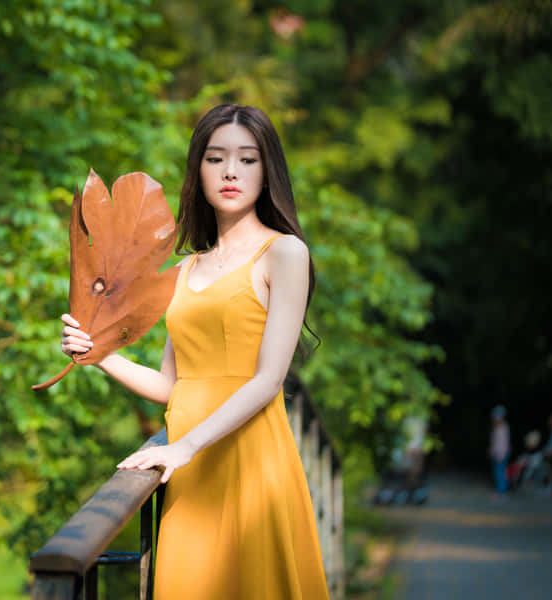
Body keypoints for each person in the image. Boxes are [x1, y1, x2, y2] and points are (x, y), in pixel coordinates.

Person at [59, 104, 329, 599]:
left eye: (248, 159)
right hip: (188, 467)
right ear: (197, 171)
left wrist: (183, 447)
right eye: (215, 158)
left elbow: (269, 380)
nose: (230, 171)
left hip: (247, 459)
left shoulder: (285, 253)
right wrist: (99, 355)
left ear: (268, 172)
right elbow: (170, 384)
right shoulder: (185, 270)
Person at [488, 405, 510, 497]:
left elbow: (504, 443)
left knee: (500, 472)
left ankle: (501, 491)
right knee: (498, 472)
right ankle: (500, 489)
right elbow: (494, 442)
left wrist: (501, 454)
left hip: (501, 454)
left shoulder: (503, 428)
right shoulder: (497, 428)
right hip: (497, 454)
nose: (495, 419)